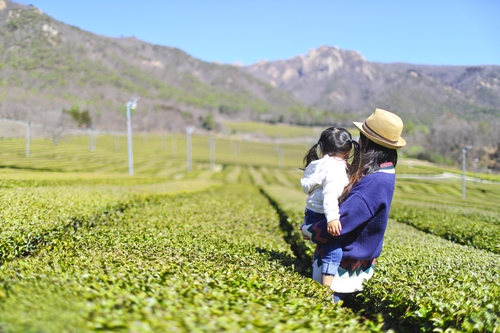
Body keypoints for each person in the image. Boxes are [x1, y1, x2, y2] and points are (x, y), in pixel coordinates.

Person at [301, 108, 406, 303]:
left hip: (343, 270)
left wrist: (310, 230)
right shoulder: (382, 172)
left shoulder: (375, 182)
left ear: (369, 143)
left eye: (361, 137)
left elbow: (344, 222)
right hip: (346, 265)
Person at [300, 127, 360, 288]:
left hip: (312, 212)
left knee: (323, 247)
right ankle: (326, 289)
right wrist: (333, 218)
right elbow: (330, 195)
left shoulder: (319, 165)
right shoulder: (336, 170)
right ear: (348, 151)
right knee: (334, 251)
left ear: (322, 148)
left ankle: (318, 279)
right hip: (323, 215)